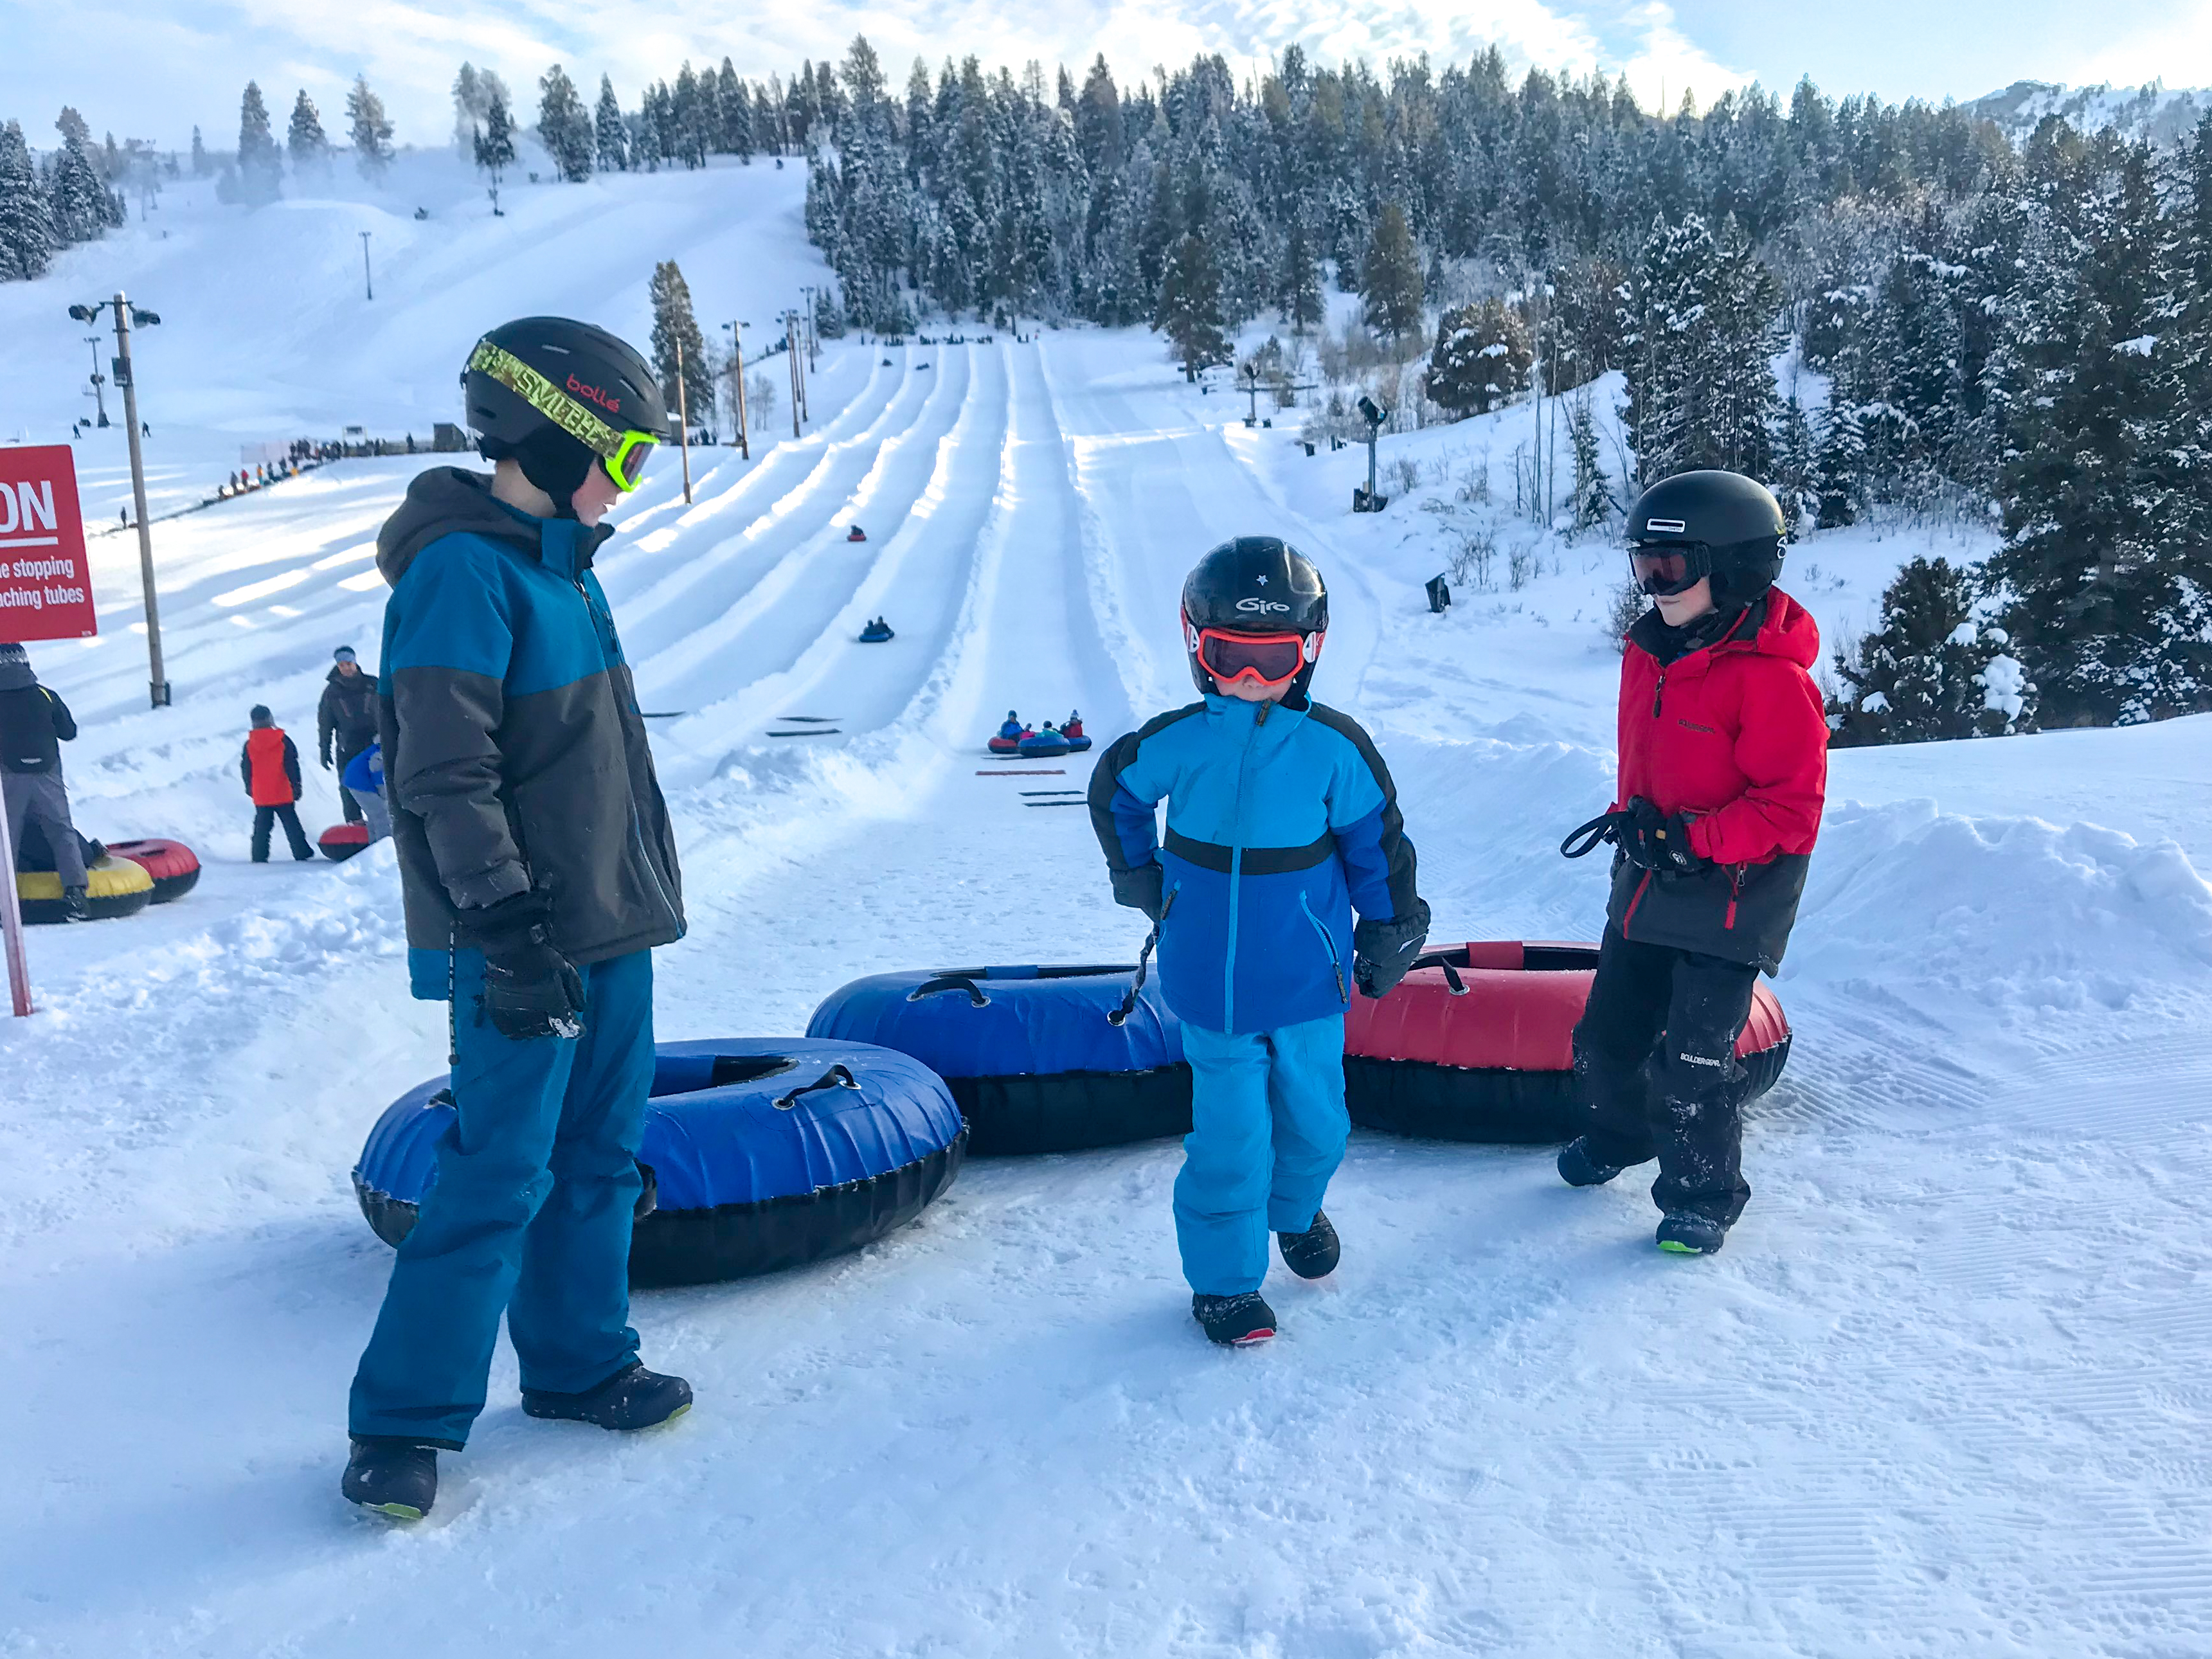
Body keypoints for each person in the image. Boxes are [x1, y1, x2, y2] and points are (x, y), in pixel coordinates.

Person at [343, 316, 689, 1522]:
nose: (626, 487)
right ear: (553, 438)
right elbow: (442, 776)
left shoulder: (560, 569)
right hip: (522, 943)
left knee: (598, 1158)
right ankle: (402, 1421)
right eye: (625, 457)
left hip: (609, 925)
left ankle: (581, 1361)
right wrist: (505, 928)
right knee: (498, 1172)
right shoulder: (463, 576)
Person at [1088, 538, 1429, 1346]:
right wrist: (1141, 877)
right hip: (1211, 990)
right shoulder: (1179, 740)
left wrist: (1387, 927)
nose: (1248, 678)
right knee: (1231, 1140)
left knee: (1319, 1127)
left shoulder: (1333, 750)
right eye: (1230, 656)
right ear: (1198, 648)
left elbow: (1376, 846)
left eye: (1270, 658)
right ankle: (1226, 1284)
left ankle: (1295, 1208)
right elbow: (1117, 792)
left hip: (1307, 982)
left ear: (1306, 653)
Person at [1555, 471, 1828, 1257]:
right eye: (1643, 567)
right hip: (1647, 882)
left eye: (1670, 569)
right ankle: (1618, 1138)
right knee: (1603, 1040)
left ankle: (1701, 1195)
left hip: (1733, 896)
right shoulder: (1650, 651)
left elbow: (1791, 809)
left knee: (1695, 1061)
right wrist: (1643, 826)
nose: (1653, 585)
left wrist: (1692, 839)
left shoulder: (1773, 681)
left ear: (1736, 566)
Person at [0, 643, 89, 922]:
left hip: (8, 774)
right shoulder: (46, 696)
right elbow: (69, 732)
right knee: (61, 830)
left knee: (7, 837)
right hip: (47, 772)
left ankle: (5, 905)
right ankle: (76, 895)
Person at [240, 705, 315, 862]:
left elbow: (246, 768)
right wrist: (297, 785)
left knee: (262, 828)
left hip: (261, 793)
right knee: (292, 825)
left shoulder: (249, 744)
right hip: (283, 790)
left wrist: (249, 786)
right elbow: (292, 766)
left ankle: (259, 856)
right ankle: (301, 852)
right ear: (270, 719)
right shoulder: (283, 740)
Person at [317, 645, 380, 824]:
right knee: (348, 785)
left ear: (355, 662)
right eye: (342, 665)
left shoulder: (373, 684)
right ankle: (355, 823)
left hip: (376, 743)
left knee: (380, 782)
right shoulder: (331, 693)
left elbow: (390, 709)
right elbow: (325, 724)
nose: (346, 668)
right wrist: (324, 750)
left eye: (349, 663)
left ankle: (385, 819)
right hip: (348, 746)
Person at [341, 740, 391, 843]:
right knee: (382, 814)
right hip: (360, 783)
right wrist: (384, 795)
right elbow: (377, 773)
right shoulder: (382, 751)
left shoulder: (382, 747)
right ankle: (385, 848)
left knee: (374, 816)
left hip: (355, 781)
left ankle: (373, 848)